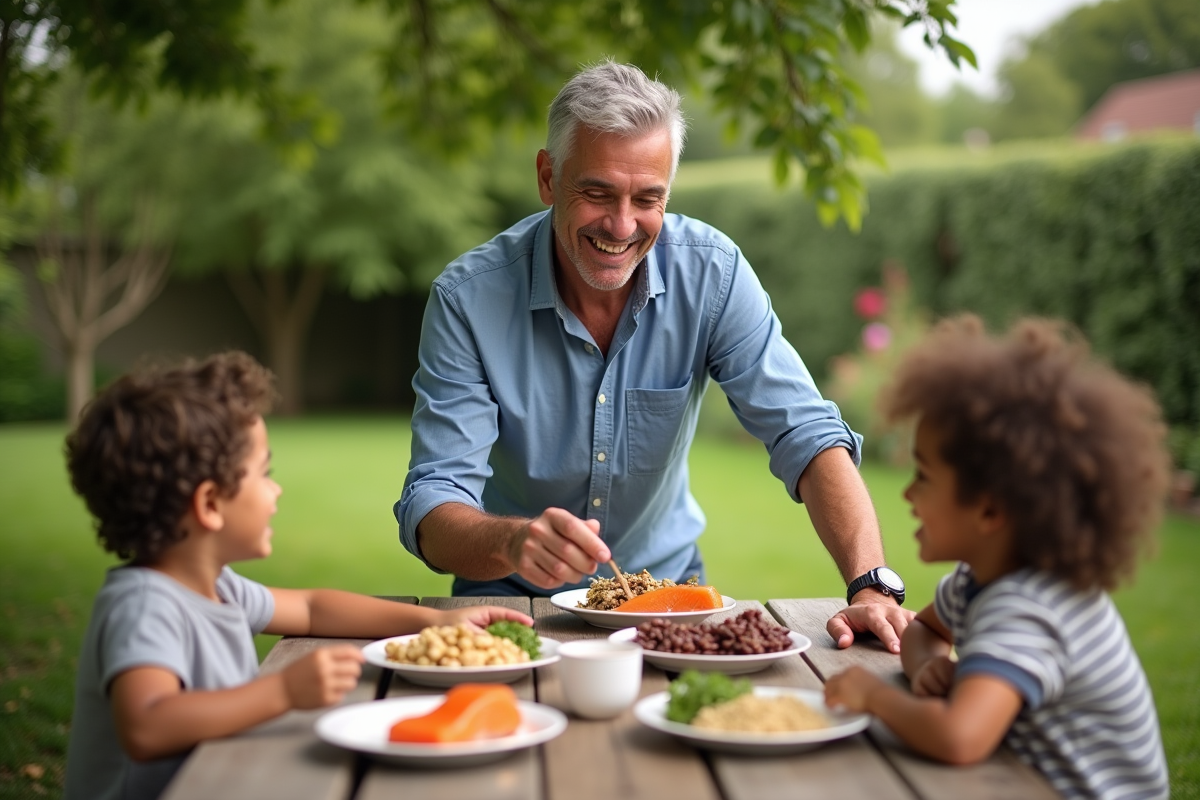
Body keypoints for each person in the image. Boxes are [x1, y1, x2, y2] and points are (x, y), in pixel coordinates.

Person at [396, 59, 910, 650]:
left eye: (648, 198)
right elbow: (434, 502)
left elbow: (807, 434)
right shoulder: (468, 298)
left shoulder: (712, 273)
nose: (621, 225)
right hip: (510, 607)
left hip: (670, 604)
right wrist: (513, 542)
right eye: (596, 193)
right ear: (547, 177)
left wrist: (871, 584)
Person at [62, 352, 530, 800]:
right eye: (263, 474)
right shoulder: (145, 604)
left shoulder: (215, 586)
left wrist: (433, 622)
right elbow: (147, 726)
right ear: (208, 505)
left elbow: (310, 608)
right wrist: (282, 690)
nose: (276, 489)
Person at [823, 316, 1170, 800]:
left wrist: (875, 696)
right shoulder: (978, 580)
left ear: (988, 508)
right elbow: (924, 631)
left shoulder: (1028, 605)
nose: (906, 493)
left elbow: (958, 738)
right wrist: (925, 667)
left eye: (923, 476)